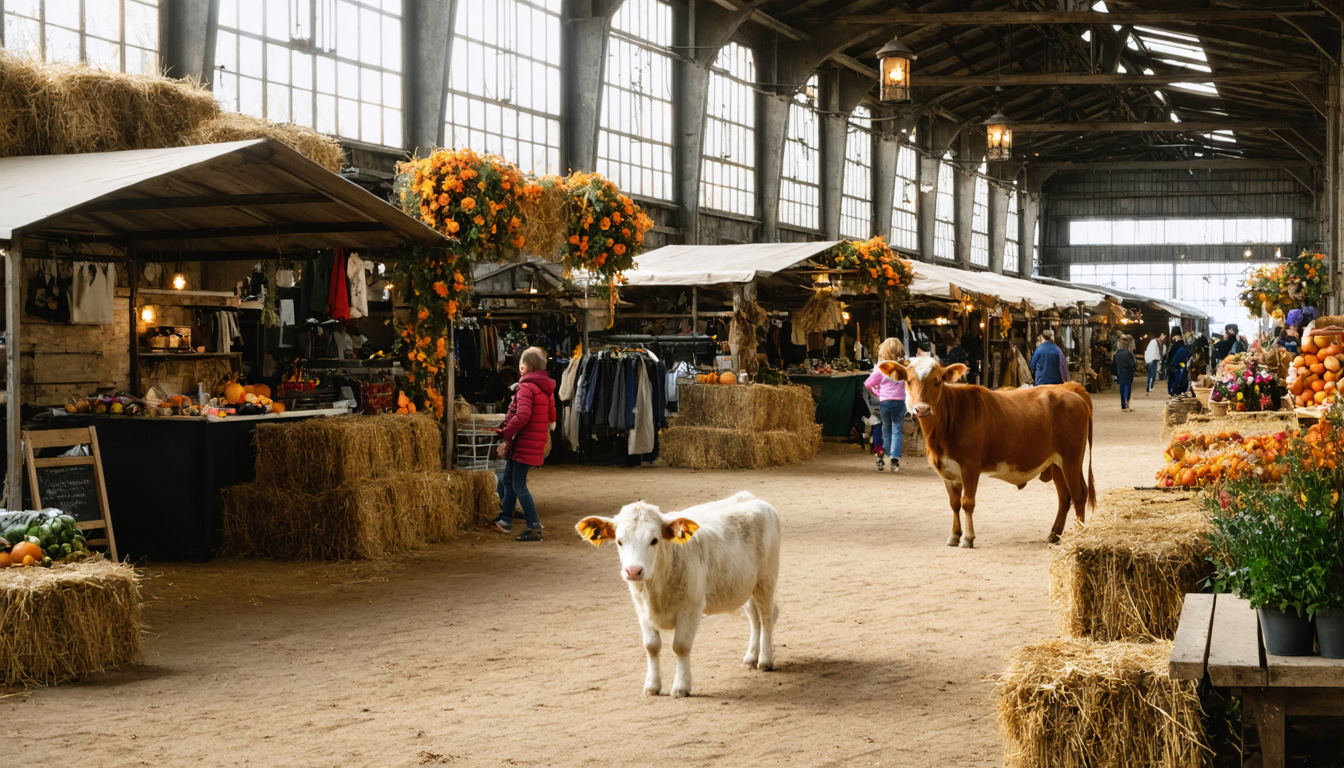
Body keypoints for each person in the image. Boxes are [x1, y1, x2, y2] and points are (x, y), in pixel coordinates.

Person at [488, 346, 556, 541]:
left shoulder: (526, 386)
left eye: (520, 365)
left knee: (518, 485)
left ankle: (534, 526)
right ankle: (505, 521)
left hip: (523, 442)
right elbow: (552, 415)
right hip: (533, 441)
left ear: (525, 367)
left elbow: (523, 415)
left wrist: (506, 433)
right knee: (509, 481)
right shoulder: (546, 388)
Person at [864, 338, 907, 473]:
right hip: (900, 402)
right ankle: (895, 459)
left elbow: (868, 384)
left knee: (886, 428)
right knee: (897, 429)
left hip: (885, 402)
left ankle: (886, 453)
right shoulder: (904, 367)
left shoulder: (881, 368)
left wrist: (878, 392)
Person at [1114, 338, 1137, 412]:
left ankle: (1123, 404)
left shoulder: (1116, 353)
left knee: (1122, 387)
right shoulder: (1128, 352)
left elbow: (1114, 364)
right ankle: (1127, 402)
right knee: (1127, 387)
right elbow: (1132, 364)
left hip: (1120, 372)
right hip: (1128, 372)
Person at [1166, 332, 1191, 397]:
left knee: (1175, 379)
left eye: (1177, 338)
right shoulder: (1180, 347)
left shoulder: (1177, 347)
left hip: (1176, 366)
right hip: (1177, 366)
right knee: (1177, 379)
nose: (1176, 340)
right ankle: (1175, 391)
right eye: (1175, 338)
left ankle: (1173, 391)